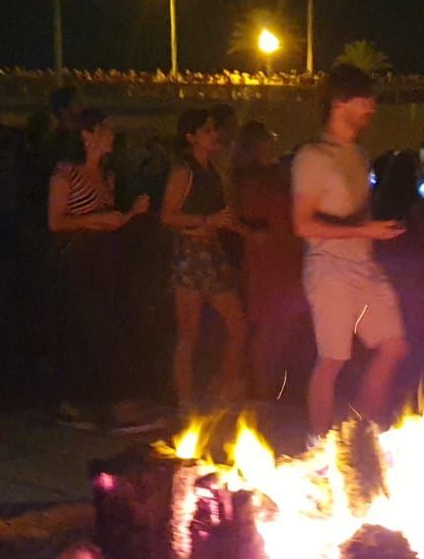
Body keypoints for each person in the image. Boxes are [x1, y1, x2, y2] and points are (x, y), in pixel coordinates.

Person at [291, 63, 408, 438]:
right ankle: (322, 451)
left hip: (365, 265)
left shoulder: (357, 153)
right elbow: (302, 224)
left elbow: (358, 212)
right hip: (330, 269)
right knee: (333, 360)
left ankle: (361, 434)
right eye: (365, 100)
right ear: (341, 102)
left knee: (394, 346)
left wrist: (375, 231)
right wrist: (364, 229)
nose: (372, 108)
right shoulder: (313, 156)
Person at [47, 107, 152, 428]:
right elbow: (55, 222)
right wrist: (96, 220)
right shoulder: (66, 173)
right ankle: (95, 402)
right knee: (92, 327)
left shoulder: (107, 175)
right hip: (81, 260)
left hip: (106, 258)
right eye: (104, 128)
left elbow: (110, 219)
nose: (111, 135)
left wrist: (131, 214)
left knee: (110, 325)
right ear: (86, 135)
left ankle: (106, 400)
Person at [162, 108, 247, 407]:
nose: (215, 135)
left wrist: (246, 232)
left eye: (214, 129)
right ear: (191, 137)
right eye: (208, 130)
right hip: (190, 253)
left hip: (212, 252)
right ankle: (186, 403)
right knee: (189, 333)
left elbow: (224, 217)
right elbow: (168, 215)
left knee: (238, 326)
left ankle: (221, 387)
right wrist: (208, 220)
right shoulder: (184, 170)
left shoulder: (212, 169)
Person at [232, 120, 308, 400]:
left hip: (287, 256)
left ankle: (270, 386)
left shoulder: (274, 175)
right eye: (267, 140)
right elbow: (250, 218)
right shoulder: (250, 180)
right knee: (268, 327)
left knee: (283, 325)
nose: (272, 145)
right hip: (268, 262)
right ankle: (261, 390)